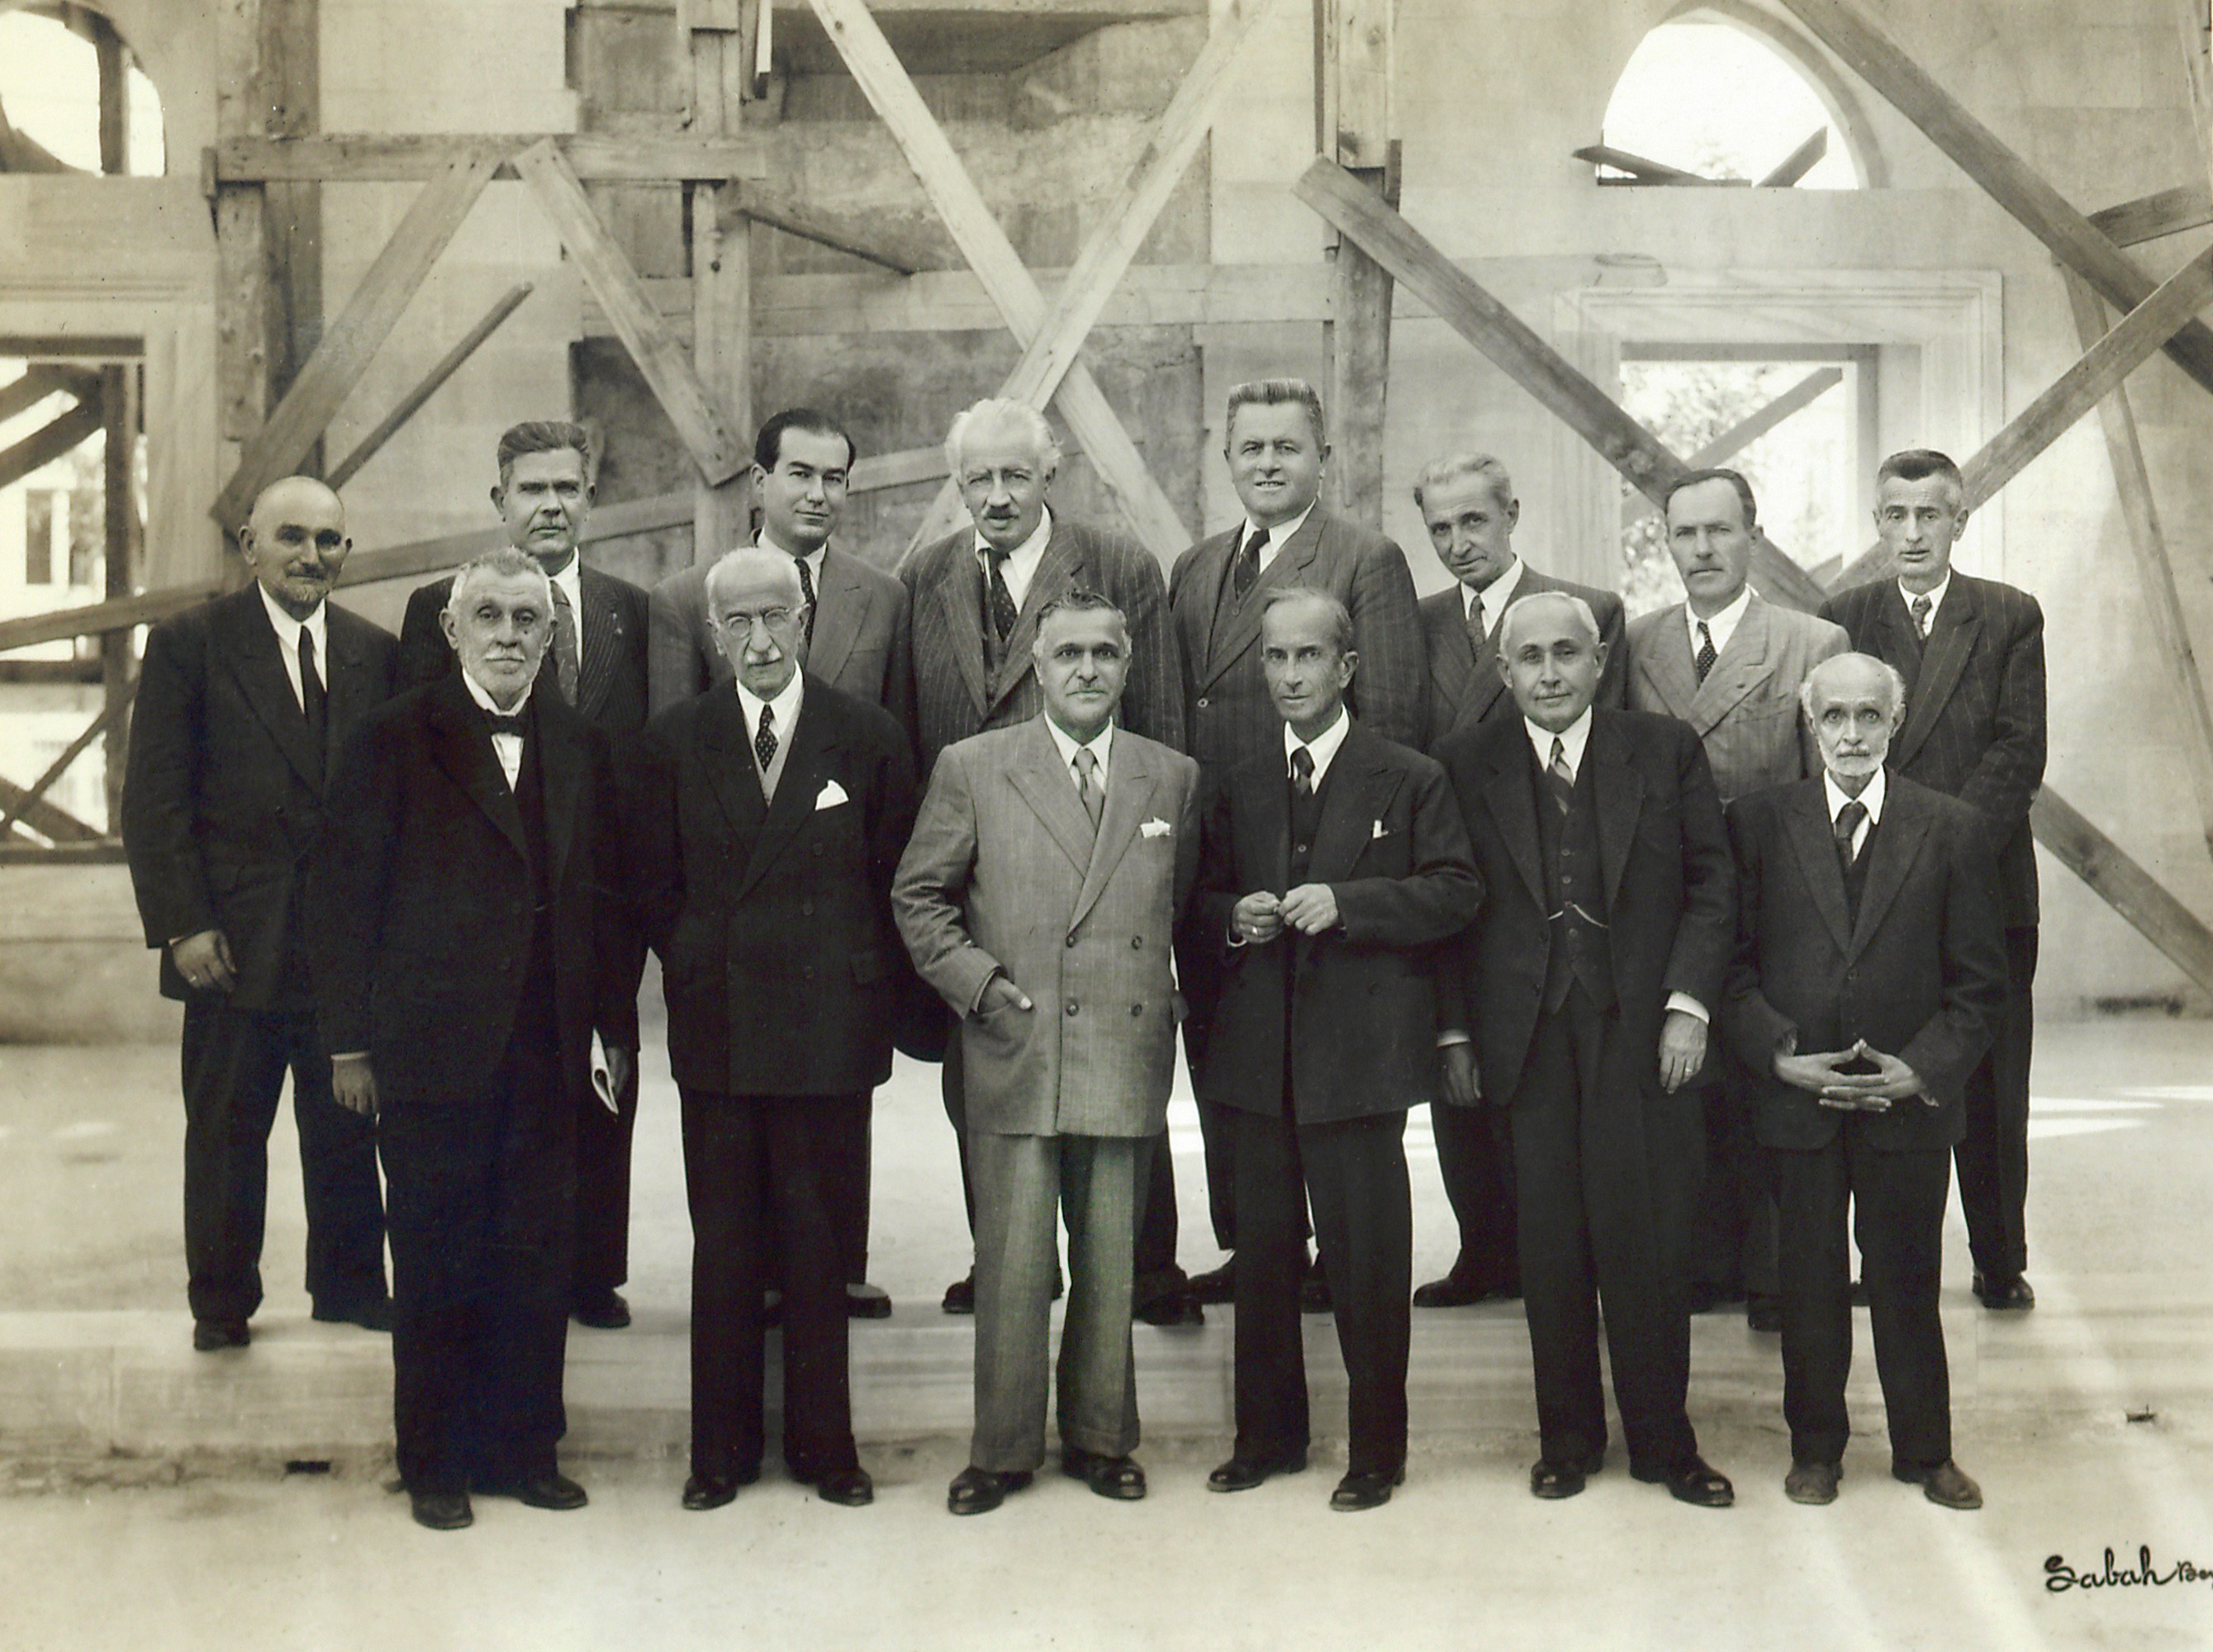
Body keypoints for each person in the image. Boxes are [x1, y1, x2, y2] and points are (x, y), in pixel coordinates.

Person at [309, 548, 639, 1532]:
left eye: (525, 619)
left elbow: (608, 905)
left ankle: (525, 1448)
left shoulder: (580, 743)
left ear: (551, 634)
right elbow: (341, 900)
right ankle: (436, 1460)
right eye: (486, 615)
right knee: (438, 1252)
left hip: (545, 1049)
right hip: (428, 1051)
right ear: (453, 632)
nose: (506, 634)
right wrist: (349, 1045)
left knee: (535, 1254)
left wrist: (609, 1030)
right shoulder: (390, 738)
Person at [892, 591, 1201, 1516]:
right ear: (1036, 663)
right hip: (1014, 1041)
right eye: (1068, 653)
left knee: (1110, 1262)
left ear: (1130, 662)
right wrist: (978, 984)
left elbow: (1175, 903)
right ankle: (1002, 1447)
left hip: (1122, 1044)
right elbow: (919, 895)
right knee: (1015, 1264)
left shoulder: (1171, 775)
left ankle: (1104, 1437)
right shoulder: (974, 766)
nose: (1088, 669)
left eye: (1106, 652)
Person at [629, 547, 915, 1512]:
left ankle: (826, 1449)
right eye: (738, 623)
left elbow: (892, 880)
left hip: (829, 1030)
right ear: (715, 636)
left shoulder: (866, 736)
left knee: (819, 1243)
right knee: (726, 1248)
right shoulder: (675, 740)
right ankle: (722, 1452)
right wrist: (698, 959)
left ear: (805, 621)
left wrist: (859, 983)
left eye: (775, 618)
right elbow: (654, 885)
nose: (759, 639)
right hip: (721, 1028)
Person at [1437, 591, 1736, 1507]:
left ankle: (1665, 1443)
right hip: (1523, 1036)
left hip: (1638, 1029)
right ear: (1503, 671)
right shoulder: (1464, 762)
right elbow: (1447, 906)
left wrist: (1689, 1004)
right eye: (1530, 657)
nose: (1551, 672)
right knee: (1550, 1242)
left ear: (1601, 659)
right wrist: (1453, 1029)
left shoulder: (1662, 748)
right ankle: (1566, 1439)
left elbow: (1713, 882)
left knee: (1645, 1239)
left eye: (1568, 652)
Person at [1190, 588, 1479, 1511]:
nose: (1289, 675)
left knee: (1366, 1261)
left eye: (1308, 656)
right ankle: (1265, 1440)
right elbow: (1192, 905)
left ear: (1346, 666)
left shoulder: (1409, 774)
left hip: (1359, 1063)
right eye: (1274, 657)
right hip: (1257, 1062)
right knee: (1265, 1260)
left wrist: (1351, 903)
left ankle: (1375, 1451)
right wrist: (1232, 914)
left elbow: (1457, 890)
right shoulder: (1235, 778)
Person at [900, 397, 1189, 1322]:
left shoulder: (1118, 564)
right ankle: (1009, 1261)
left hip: (1102, 853)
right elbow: (919, 723)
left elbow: (1167, 728)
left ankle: (1144, 1267)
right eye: (976, 478)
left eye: (1013, 475)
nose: (995, 495)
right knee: (983, 1068)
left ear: (1049, 475)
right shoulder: (929, 573)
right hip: (989, 868)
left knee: (1120, 1070)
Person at [1718, 653, 2006, 1511]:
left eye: (1867, 717)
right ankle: (1816, 1448)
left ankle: (1926, 1449)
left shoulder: (1950, 828)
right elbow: (1729, 967)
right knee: (1806, 1281)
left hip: (1904, 1105)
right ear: (1811, 725)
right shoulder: (1761, 824)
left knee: (1907, 1276)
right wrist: (1777, 1053)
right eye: (1833, 716)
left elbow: (1981, 982)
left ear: (1896, 722)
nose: (1850, 733)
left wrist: (1922, 1067)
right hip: (1799, 1101)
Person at [647, 407, 914, 1320]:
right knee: (729, 1133)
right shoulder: (688, 596)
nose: (818, 492)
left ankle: (838, 1265)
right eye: (799, 473)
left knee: (833, 1114)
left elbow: (893, 762)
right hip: (729, 909)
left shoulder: (884, 595)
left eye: (836, 477)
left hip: (832, 902)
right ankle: (745, 1274)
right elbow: (670, 766)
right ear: (758, 482)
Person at [121, 476, 392, 1351]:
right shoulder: (190, 645)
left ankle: (349, 1284)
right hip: (231, 943)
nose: (311, 554)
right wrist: (182, 922)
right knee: (229, 1128)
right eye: (291, 537)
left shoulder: (372, 652)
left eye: (328, 540)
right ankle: (222, 1299)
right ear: (249, 545)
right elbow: (154, 796)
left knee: (347, 1124)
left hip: (342, 948)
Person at [1168, 378, 1424, 1305]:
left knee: (1327, 1062)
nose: (1268, 463)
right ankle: (1257, 1243)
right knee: (1227, 1055)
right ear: (1226, 458)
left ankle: (1337, 1251)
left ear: (1324, 457)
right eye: (1251, 448)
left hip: (1323, 855)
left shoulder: (1367, 555)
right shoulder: (1196, 565)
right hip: (1226, 854)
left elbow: (1391, 725)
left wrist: (1350, 873)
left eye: (1286, 446)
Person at [397, 420, 652, 1333]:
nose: (551, 504)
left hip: (596, 882)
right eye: (532, 489)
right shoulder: (445, 604)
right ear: (499, 500)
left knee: (604, 1069)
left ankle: (594, 1269)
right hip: (485, 896)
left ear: (591, 499)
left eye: (568, 488)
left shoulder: (629, 608)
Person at [1819, 450, 2045, 1313]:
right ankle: (1885, 1264)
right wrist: (1892, 869)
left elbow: (2019, 750)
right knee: (1879, 1078)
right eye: (1895, 515)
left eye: (1929, 515)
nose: (1911, 533)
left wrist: (1936, 852)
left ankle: (1999, 1255)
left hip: (1985, 886)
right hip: (1871, 896)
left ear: (1959, 519)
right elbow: (1840, 750)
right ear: (1878, 522)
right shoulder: (1843, 616)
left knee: (1990, 1081)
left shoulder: (2007, 615)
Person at [1627, 468, 1848, 1334]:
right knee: (1686, 1090)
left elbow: (1824, 792)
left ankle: (1776, 1272)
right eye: (1687, 534)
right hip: (1670, 906)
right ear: (1668, 543)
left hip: (1776, 902)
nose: (1704, 549)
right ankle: (1700, 1263)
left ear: (1753, 535)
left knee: (1775, 1083)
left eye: (1721, 530)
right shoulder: (1637, 642)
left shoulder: (1811, 643)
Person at [1409, 449, 1626, 1310]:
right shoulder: (1413, 621)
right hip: (1452, 863)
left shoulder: (1587, 610)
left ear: (1512, 513)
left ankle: (1586, 1253)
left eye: (1474, 521)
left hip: (1556, 866)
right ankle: (1484, 1247)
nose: (1459, 542)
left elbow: (1616, 750)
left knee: (1569, 1078)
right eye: (1440, 528)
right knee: (1458, 1061)